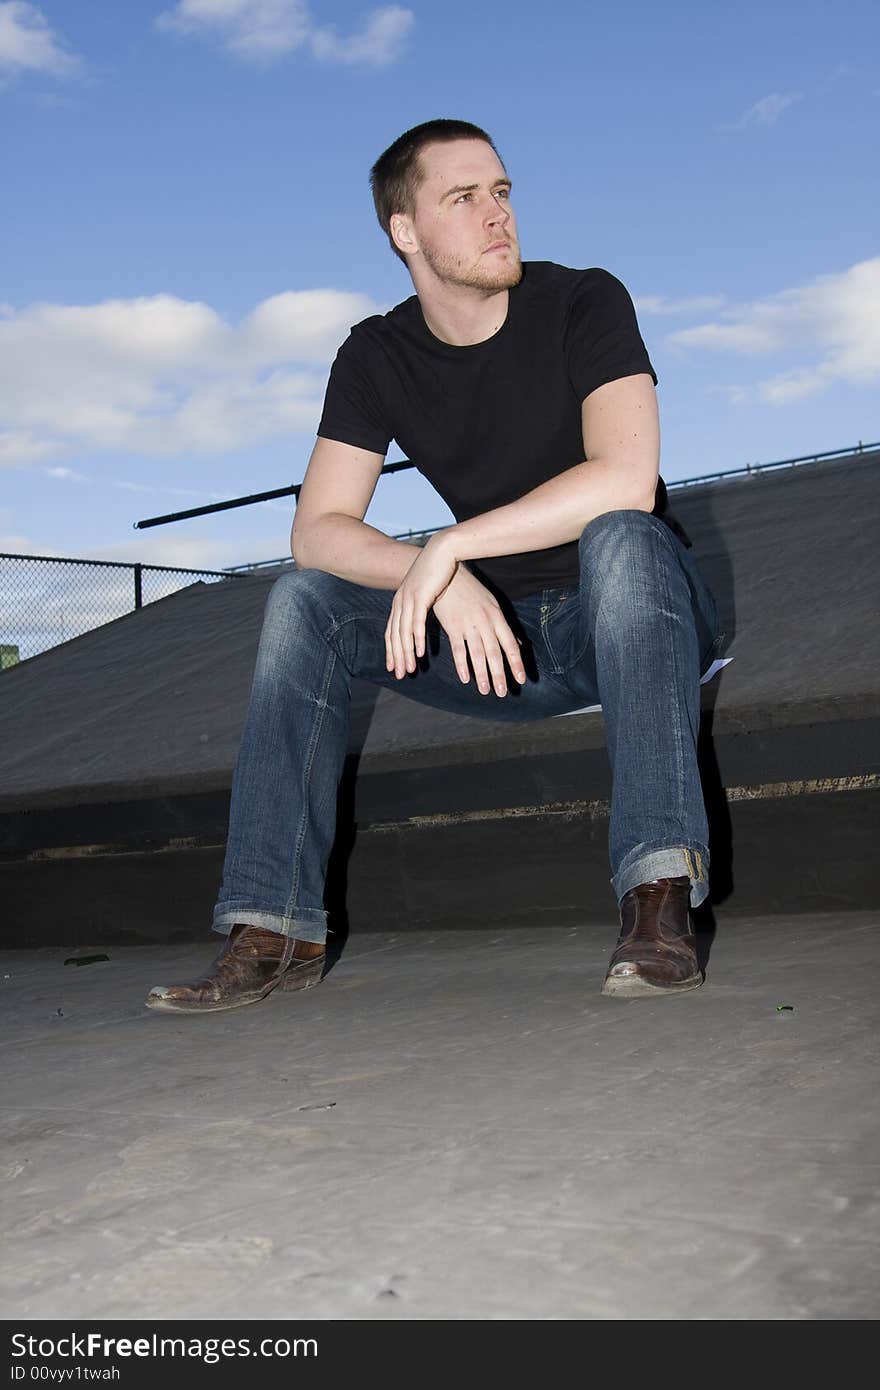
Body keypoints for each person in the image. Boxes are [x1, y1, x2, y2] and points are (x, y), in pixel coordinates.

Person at [146, 118, 724, 1015]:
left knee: (622, 534)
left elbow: (625, 477)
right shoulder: (375, 355)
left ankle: (658, 901)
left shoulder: (583, 301)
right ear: (404, 232)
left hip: (633, 617)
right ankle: (276, 928)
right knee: (304, 602)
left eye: (502, 191)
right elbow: (317, 532)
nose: (498, 215)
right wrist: (435, 575)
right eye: (464, 197)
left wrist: (452, 547)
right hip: (502, 644)